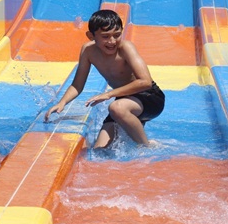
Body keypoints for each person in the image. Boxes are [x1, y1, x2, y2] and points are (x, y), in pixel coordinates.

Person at [44, 9, 164, 148]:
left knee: (116, 108)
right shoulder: (88, 51)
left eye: (117, 35)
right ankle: (134, 130)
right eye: (105, 36)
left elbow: (145, 82)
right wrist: (62, 103)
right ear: (91, 36)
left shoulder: (126, 48)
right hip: (124, 100)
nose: (112, 41)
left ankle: (146, 147)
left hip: (150, 98)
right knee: (100, 149)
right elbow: (77, 84)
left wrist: (108, 94)